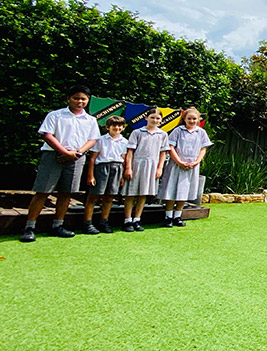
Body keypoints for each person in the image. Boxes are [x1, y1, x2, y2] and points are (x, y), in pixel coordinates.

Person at [20, 85, 101, 243]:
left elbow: (92, 140)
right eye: (76, 98)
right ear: (68, 99)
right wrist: (64, 152)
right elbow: (47, 135)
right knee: (43, 191)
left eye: (83, 99)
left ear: (88, 100)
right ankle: (29, 227)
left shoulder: (90, 120)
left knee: (67, 192)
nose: (80, 101)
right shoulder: (55, 115)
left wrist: (76, 153)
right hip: (53, 156)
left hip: (77, 157)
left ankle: (58, 225)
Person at [157, 107, 212, 227]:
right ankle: (168, 216)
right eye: (189, 118)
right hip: (176, 165)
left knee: (184, 191)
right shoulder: (178, 131)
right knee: (171, 189)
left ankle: (178, 216)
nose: (191, 121)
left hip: (191, 166)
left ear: (198, 120)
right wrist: (179, 161)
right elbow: (170, 147)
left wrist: (196, 162)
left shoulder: (201, 132)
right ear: (184, 119)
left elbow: (203, 148)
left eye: (194, 119)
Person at [121, 107, 170, 232]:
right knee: (131, 193)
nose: (154, 120)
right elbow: (130, 151)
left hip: (152, 166)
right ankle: (127, 220)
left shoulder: (163, 135)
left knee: (143, 193)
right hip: (136, 164)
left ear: (161, 120)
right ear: (146, 118)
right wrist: (128, 167)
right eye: (152, 117)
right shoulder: (137, 132)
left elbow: (163, 153)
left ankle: (137, 219)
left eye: (157, 118)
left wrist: (160, 168)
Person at [83, 115, 128, 234]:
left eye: (120, 126)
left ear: (123, 128)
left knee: (109, 197)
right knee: (94, 196)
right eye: (114, 125)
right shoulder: (100, 140)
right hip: (102, 168)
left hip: (117, 168)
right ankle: (87, 223)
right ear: (108, 127)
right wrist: (90, 175)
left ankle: (104, 222)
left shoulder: (124, 142)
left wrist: (122, 176)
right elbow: (93, 158)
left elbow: (124, 159)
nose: (117, 128)